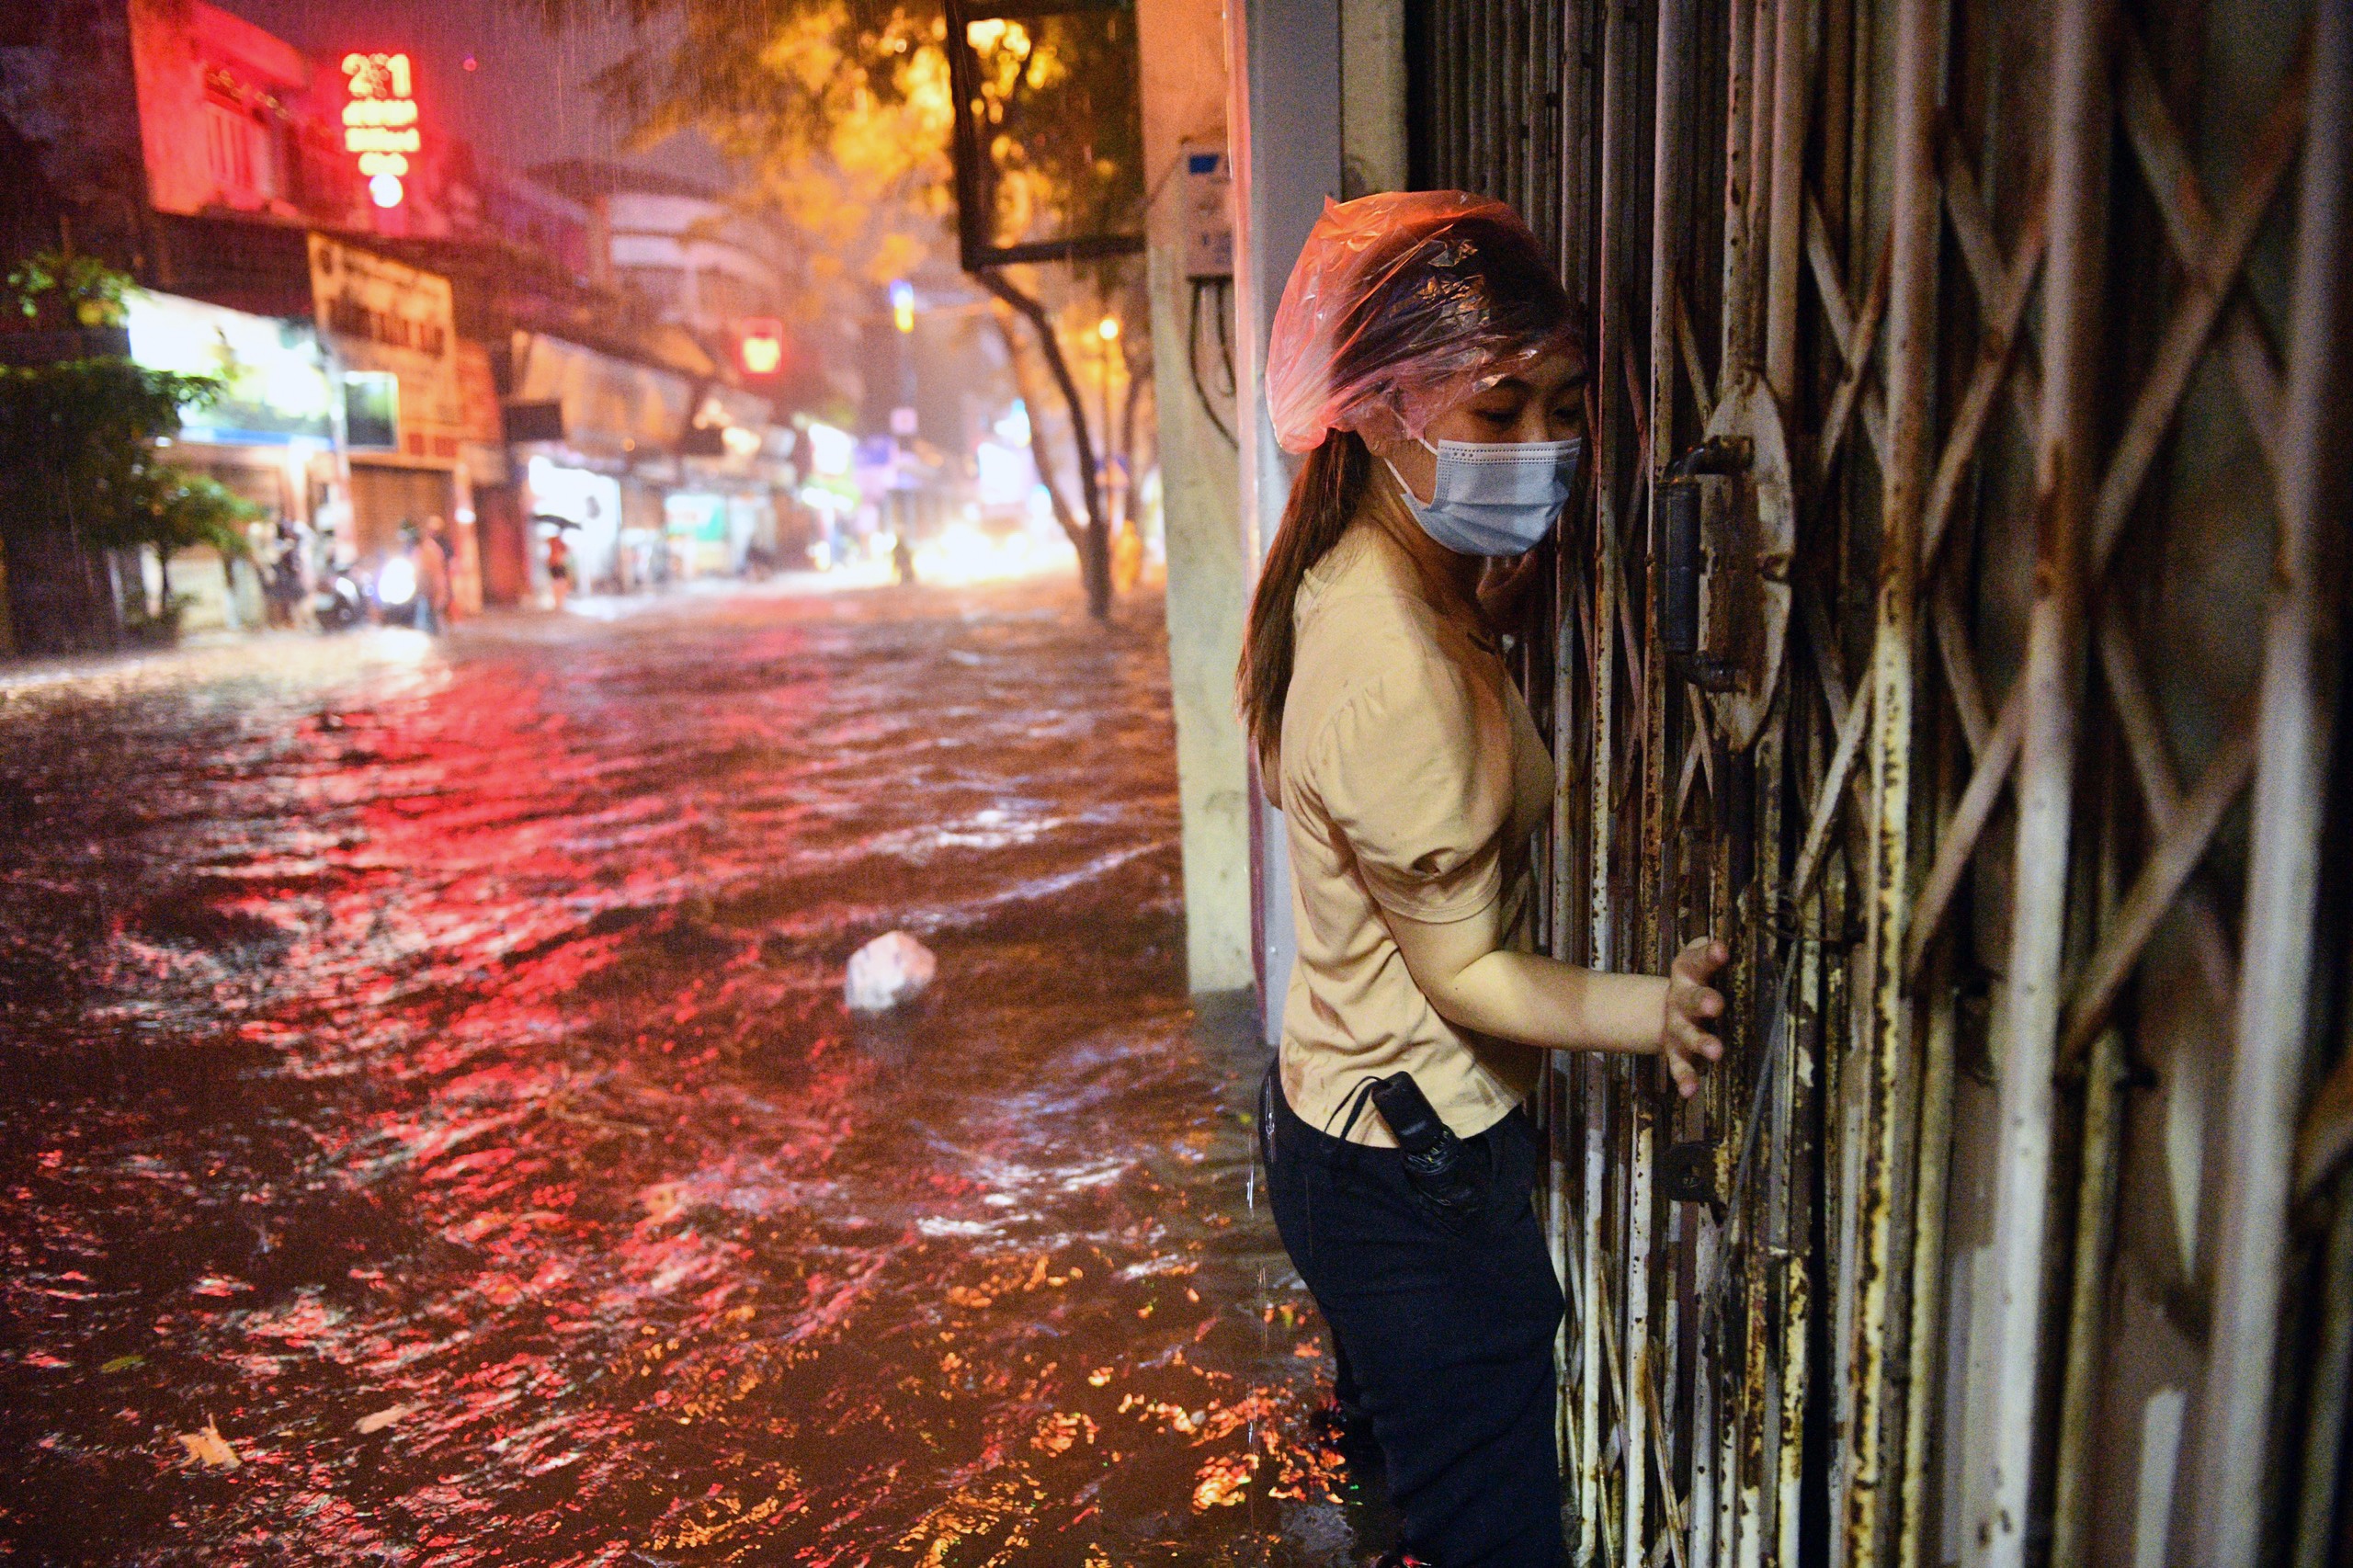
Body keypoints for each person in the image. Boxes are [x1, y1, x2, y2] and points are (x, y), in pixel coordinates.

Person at [1240, 190, 1728, 1568]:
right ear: (1385, 412)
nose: (1548, 448)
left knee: (1403, 1491)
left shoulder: (1353, 568)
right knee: (1495, 1539)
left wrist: (1478, 621)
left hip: (1334, 1126)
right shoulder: (1392, 664)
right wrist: (1660, 1012)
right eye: (1501, 411)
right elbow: (1464, 972)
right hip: (1414, 1185)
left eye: (1562, 406)